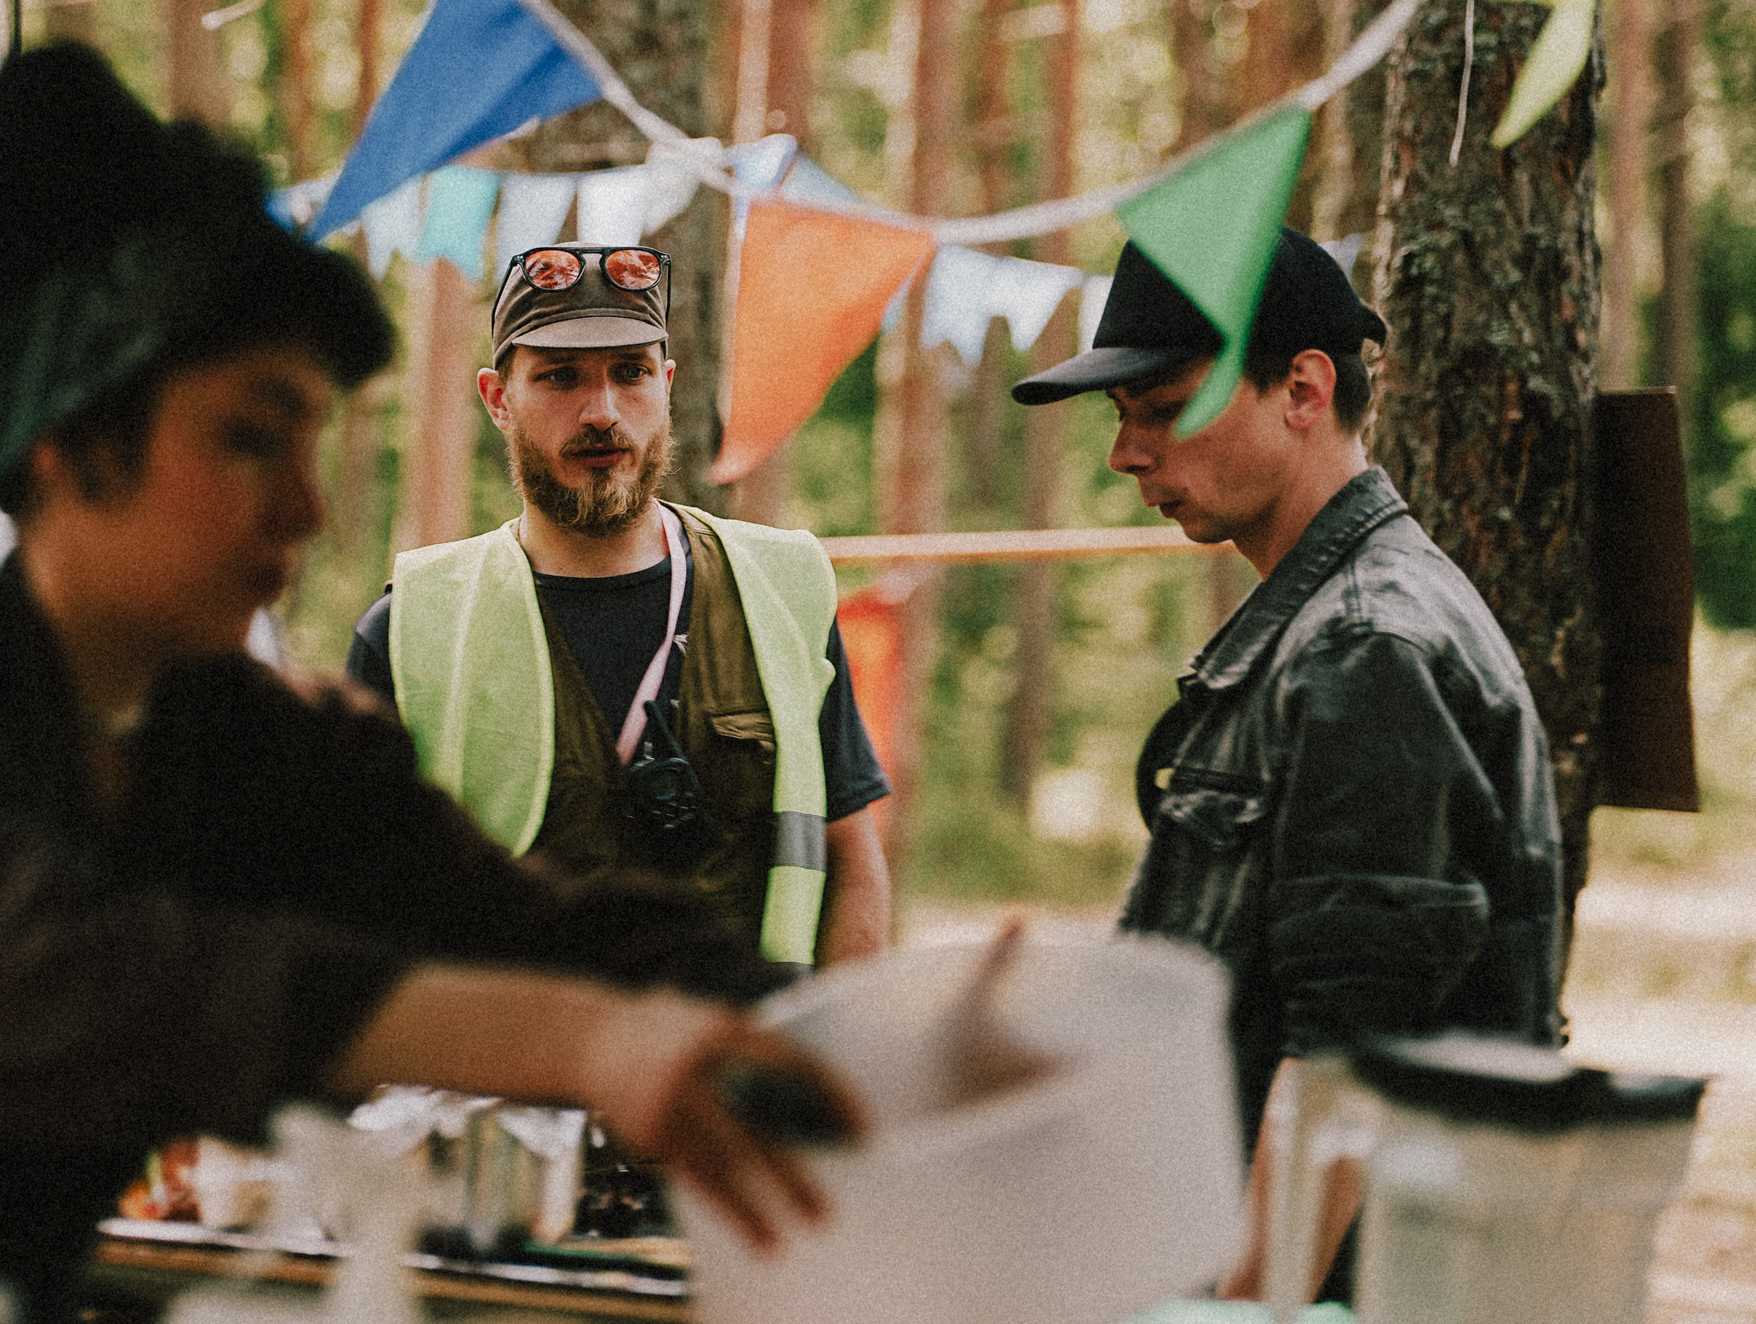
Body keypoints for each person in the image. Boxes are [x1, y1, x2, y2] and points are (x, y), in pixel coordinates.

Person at [0, 45, 860, 1324]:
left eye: (311, 442)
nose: (308, 505)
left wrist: (862, 1037)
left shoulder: (231, 739)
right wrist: (591, 1045)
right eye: (248, 437)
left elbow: (524, 922)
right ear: (75, 444)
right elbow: (152, 985)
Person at [1011, 228, 1565, 1300]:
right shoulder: (1320, 628)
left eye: (1161, 407)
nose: (1126, 455)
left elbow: (1343, 1078)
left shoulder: (1367, 647)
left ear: (1303, 389)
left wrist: (1241, 1319)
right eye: (1120, 419)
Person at [347, 243, 894, 970]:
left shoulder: (784, 587)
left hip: (741, 1068)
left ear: (667, 386)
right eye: (560, 378)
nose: (602, 413)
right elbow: (355, 913)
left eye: (630, 373)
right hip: (507, 1077)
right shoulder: (411, 630)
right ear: (498, 398)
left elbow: (850, 855)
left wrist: (827, 1057)